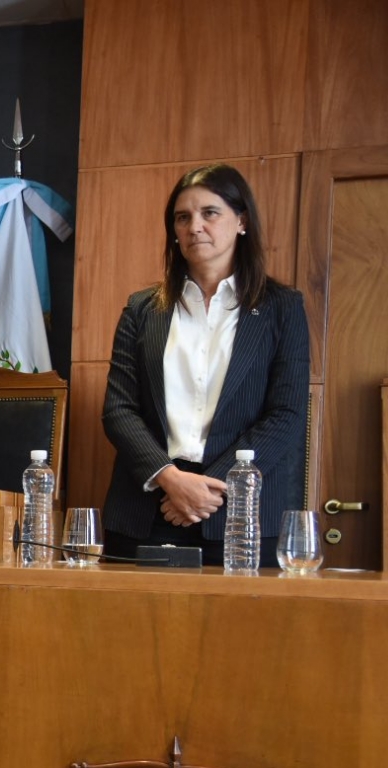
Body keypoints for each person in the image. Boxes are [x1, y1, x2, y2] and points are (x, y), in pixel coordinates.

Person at [102, 164, 310, 567]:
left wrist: (208, 489)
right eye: (183, 217)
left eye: (209, 213)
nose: (194, 226)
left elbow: (286, 414)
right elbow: (118, 410)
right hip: (148, 504)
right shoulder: (142, 309)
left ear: (242, 221)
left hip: (241, 512)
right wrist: (170, 479)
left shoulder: (282, 308)